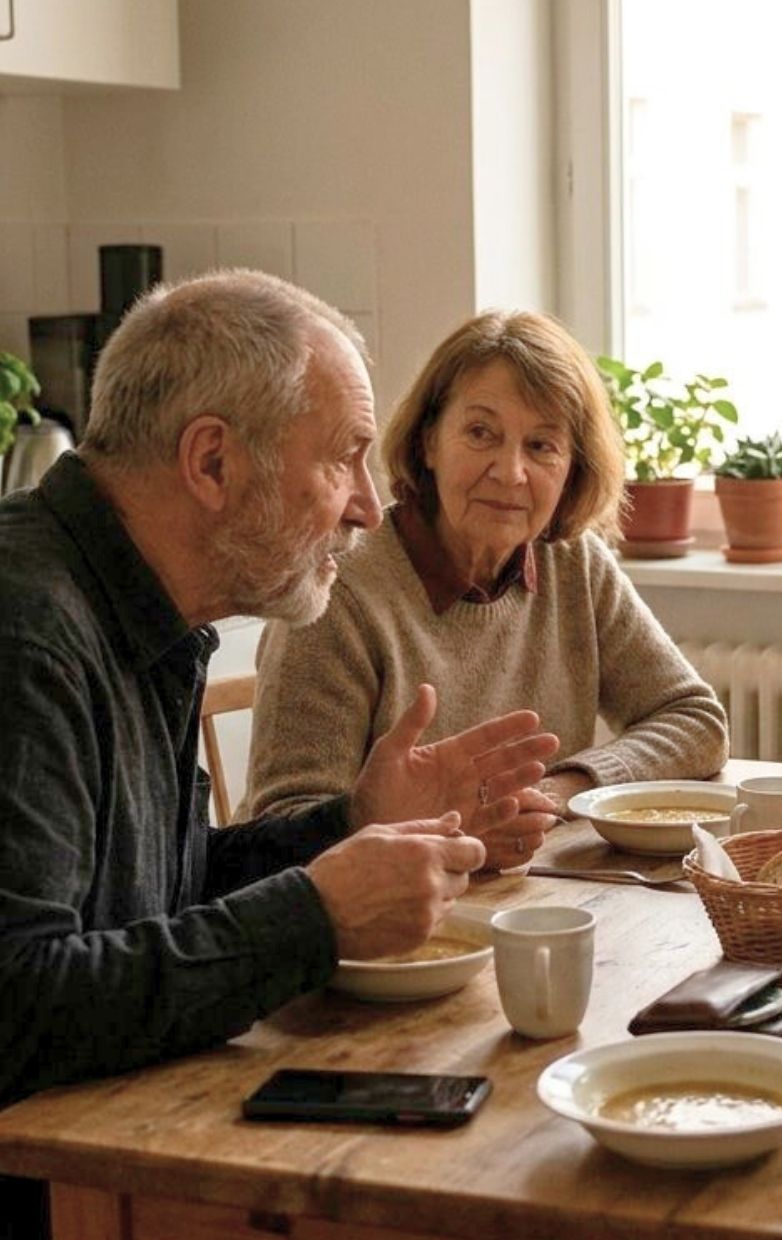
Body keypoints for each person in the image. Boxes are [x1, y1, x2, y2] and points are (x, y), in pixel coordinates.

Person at [0, 271, 558, 1235]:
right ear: (212, 463)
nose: (370, 509)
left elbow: (150, 895)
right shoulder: (28, 632)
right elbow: (20, 1007)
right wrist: (315, 916)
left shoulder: (142, 609)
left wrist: (349, 827)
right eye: (345, 459)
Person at [244, 310, 727, 834]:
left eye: (541, 445)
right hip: (390, 907)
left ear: (573, 468)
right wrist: (461, 825)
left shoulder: (573, 562)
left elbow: (695, 719)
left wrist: (564, 791)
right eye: (480, 433)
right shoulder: (339, 588)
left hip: (535, 897)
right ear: (429, 441)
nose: (510, 472)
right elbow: (284, 828)